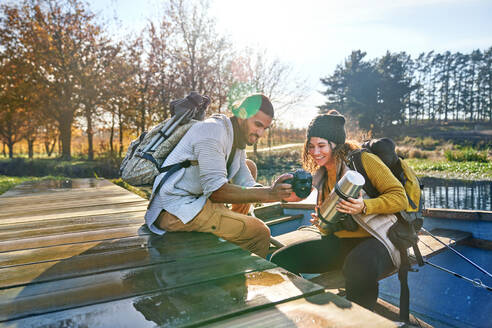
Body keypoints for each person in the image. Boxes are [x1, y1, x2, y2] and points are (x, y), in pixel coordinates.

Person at [270, 110, 409, 311]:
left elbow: (399, 198)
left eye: (321, 146)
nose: (315, 152)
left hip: (381, 240)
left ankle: (359, 321)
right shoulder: (323, 174)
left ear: (335, 145)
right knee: (281, 260)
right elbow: (328, 232)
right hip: (344, 243)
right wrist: (323, 222)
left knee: (358, 265)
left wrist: (365, 206)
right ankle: (303, 311)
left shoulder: (364, 161)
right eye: (311, 146)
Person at [144, 94, 294, 259]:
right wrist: (270, 193)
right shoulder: (212, 131)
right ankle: (229, 276)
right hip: (174, 209)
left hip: (198, 199)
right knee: (259, 232)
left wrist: (279, 193)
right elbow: (217, 192)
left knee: (249, 166)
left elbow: (246, 181)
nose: (260, 133)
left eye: (265, 128)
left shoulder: (236, 138)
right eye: (257, 124)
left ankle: (234, 229)